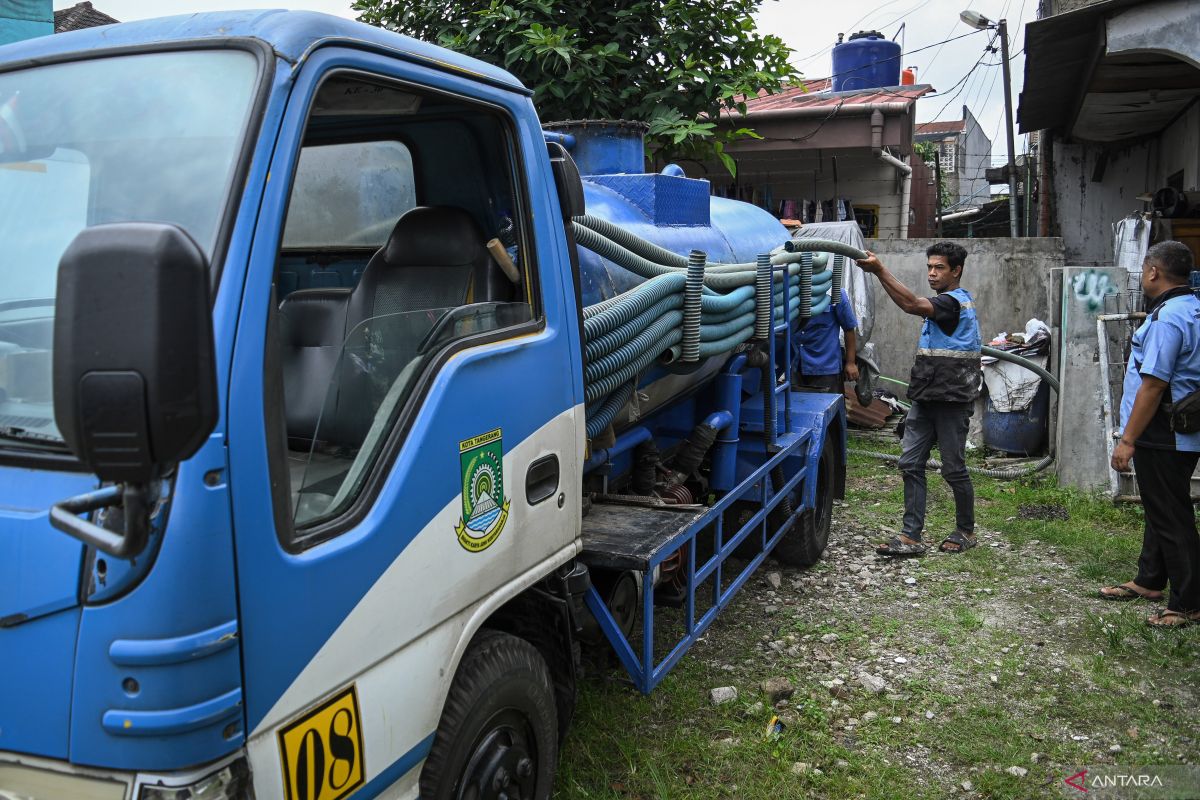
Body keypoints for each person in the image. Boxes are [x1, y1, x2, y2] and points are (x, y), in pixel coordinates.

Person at [855, 242, 980, 556]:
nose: (933, 274)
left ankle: (965, 530)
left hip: (952, 401)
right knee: (910, 463)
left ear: (957, 271)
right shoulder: (940, 304)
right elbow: (908, 303)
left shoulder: (952, 304)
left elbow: (909, 304)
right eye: (929, 267)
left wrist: (880, 270)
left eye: (939, 268)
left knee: (953, 469)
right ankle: (911, 536)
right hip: (926, 397)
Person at [1102, 241, 1200, 628]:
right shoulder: (1193, 308)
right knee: (1163, 506)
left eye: (1144, 270)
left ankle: (1188, 602)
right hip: (1182, 429)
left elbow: (1154, 384)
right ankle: (1149, 579)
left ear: (1153, 272)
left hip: (1162, 432)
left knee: (1172, 515)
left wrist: (1127, 440)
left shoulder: (1168, 319)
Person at [796, 287, 859, 393]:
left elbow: (849, 328)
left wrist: (851, 362)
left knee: (828, 405)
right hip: (795, 365)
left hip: (826, 368)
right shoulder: (791, 292)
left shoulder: (835, 293)